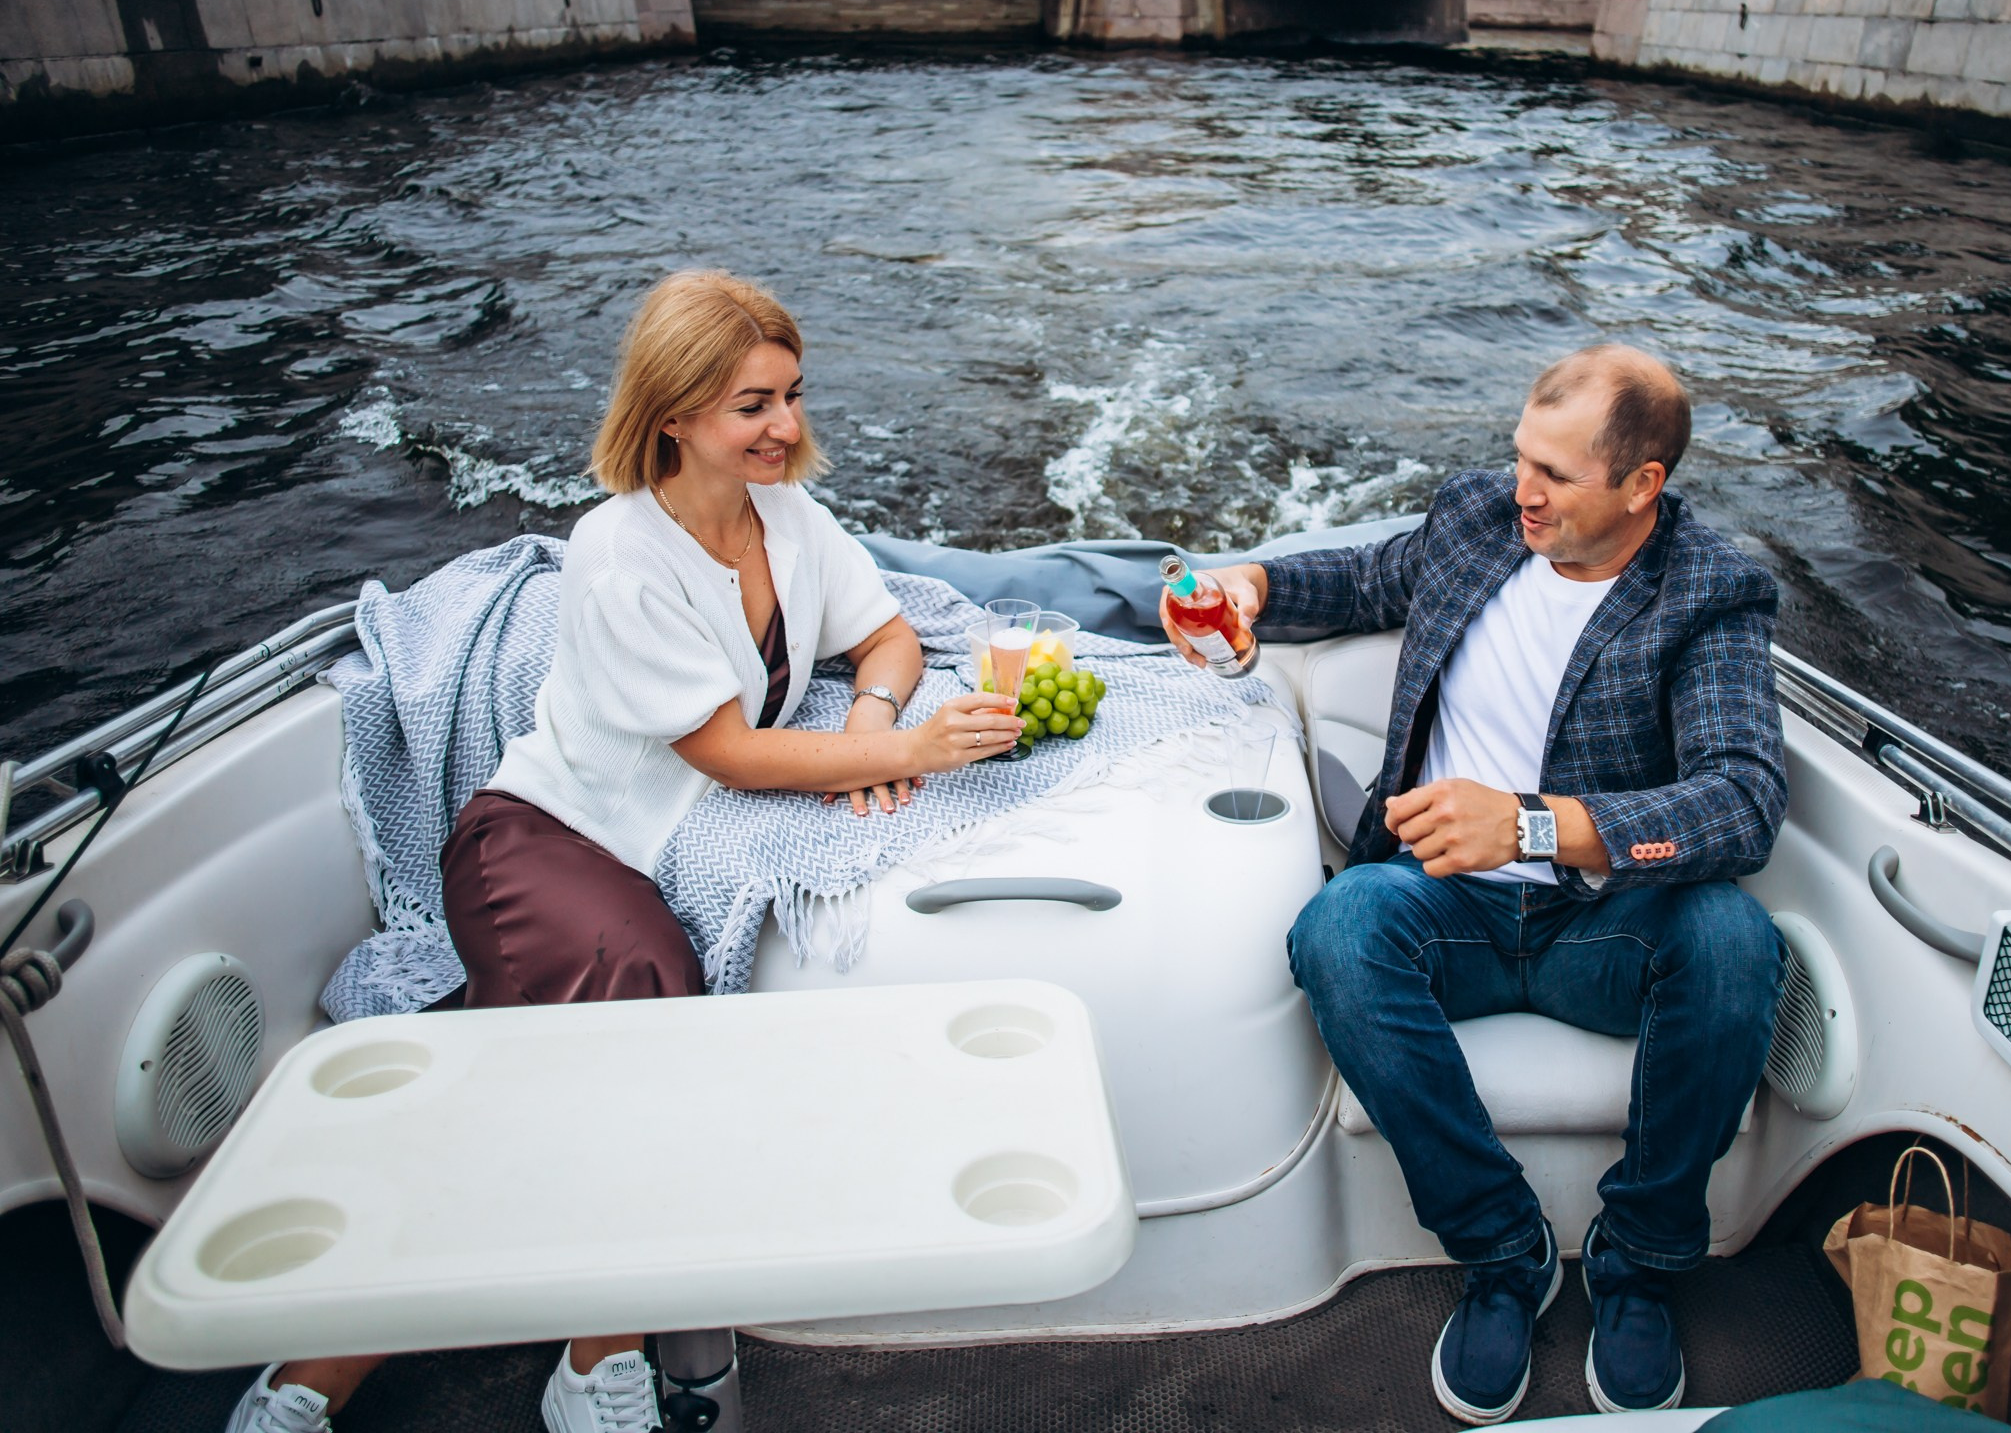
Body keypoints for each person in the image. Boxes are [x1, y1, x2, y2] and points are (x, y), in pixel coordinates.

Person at [228, 271, 1022, 1433]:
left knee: (506, 1117)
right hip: (538, 846)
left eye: (792, 395)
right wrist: (913, 750)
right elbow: (730, 754)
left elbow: (888, 632)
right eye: (753, 404)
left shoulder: (787, 515)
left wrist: (867, 715)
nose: (787, 427)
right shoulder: (615, 553)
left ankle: (311, 1376)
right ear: (674, 412)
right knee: (643, 1009)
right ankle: (593, 1364)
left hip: (644, 851)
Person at [1164, 345, 1787, 1424]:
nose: (1522, 492)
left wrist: (1537, 825)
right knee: (1340, 926)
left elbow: (1743, 803)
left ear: (1643, 485)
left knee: (1735, 941)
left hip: (1603, 925)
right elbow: (1361, 579)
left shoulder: (1710, 593)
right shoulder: (1478, 517)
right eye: (1518, 460)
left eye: (1555, 474)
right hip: (1448, 908)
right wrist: (1254, 582)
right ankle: (1504, 1250)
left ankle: (1639, 1262)